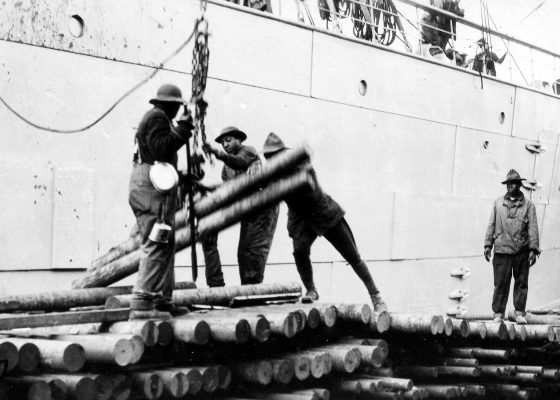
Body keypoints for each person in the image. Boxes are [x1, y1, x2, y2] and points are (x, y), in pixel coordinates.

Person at [262, 132, 387, 312]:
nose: (272, 161)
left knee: (352, 254)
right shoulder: (272, 174)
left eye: (274, 156)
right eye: (269, 158)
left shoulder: (299, 163)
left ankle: (376, 296)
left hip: (323, 211)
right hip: (300, 219)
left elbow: (307, 179)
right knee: (299, 252)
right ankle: (311, 290)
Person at [128, 84, 193, 319]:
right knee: (157, 242)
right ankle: (143, 302)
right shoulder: (157, 118)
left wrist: (181, 175)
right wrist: (183, 129)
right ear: (172, 105)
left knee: (165, 242)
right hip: (150, 187)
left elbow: (157, 155)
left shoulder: (155, 118)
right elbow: (161, 149)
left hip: (152, 184)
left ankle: (162, 300)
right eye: (177, 107)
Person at [202, 127, 279, 286]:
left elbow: (239, 163)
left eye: (228, 140)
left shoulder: (248, 151)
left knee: (254, 251)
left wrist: (218, 154)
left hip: (262, 208)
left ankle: (252, 288)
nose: (225, 144)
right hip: (248, 210)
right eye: (223, 142)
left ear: (239, 140)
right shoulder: (226, 168)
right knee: (243, 252)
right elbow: (227, 189)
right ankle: (247, 290)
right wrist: (204, 187)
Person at [484, 169, 540, 325]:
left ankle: (519, 313)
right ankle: (498, 314)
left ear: (519, 185)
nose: (510, 186)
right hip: (501, 250)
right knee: (500, 284)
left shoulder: (529, 205)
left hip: (521, 251)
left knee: (521, 283)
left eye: (513, 183)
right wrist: (488, 245)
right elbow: (491, 224)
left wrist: (533, 249)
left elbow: (533, 228)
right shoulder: (497, 203)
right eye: (508, 183)